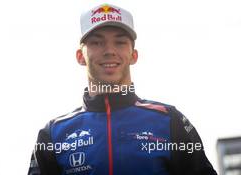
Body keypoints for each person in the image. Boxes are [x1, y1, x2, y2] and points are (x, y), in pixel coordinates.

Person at [28, 3, 217, 175]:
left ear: (134, 55)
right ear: (80, 56)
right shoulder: (53, 134)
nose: (109, 50)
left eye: (120, 42)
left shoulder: (170, 120)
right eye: (97, 42)